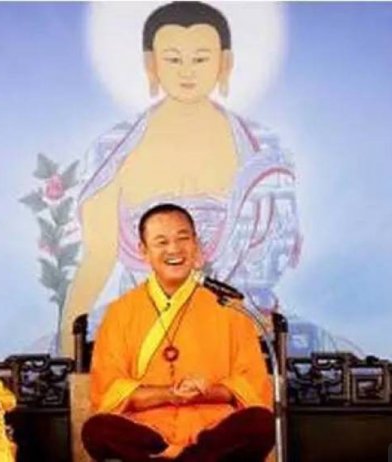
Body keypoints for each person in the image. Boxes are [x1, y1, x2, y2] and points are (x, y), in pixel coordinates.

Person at [59, 1, 301, 356]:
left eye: (200, 58)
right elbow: (97, 260)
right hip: (146, 333)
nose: (187, 71)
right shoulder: (113, 149)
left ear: (225, 62)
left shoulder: (263, 148)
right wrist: (70, 354)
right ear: (151, 63)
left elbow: (272, 256)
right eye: (173, 59)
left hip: (238, 330)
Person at [81, 203, 275, 462]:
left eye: (183, 238)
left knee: (260, 423)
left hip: (213, 432)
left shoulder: (229, 308)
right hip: (149, 433)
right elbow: (109, 391)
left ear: (196, 245)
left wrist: (207, 391)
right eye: (161, 242)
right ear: (143, 251)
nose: (173, 249)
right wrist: (169, 395)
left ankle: (179, 457)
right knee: (98, 430)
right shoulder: (120, 313)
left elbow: (252, 387)